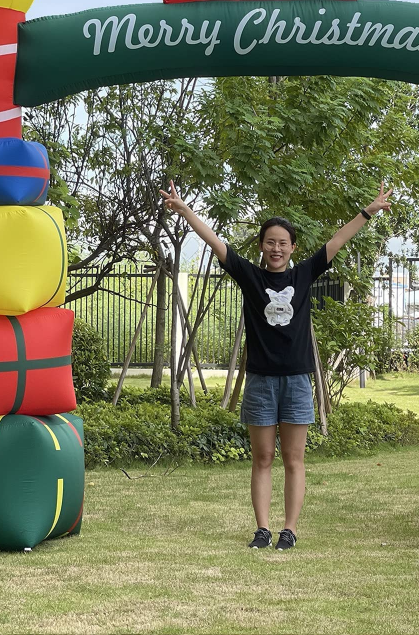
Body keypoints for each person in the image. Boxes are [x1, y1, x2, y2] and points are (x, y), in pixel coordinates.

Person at [160, 181, 392, 551]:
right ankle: (263, 529)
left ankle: (290, 529)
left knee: (293, 458)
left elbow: (337, 241)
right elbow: (215, 242)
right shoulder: (249, 276)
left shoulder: (303, 275)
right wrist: (186, 210)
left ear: (293, 248)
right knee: (263, 457)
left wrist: (369, 210)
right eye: (270, 242)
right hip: (261, 382)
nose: (277, 248)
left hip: (298, 381)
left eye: (283, 242)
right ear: (262, 247)